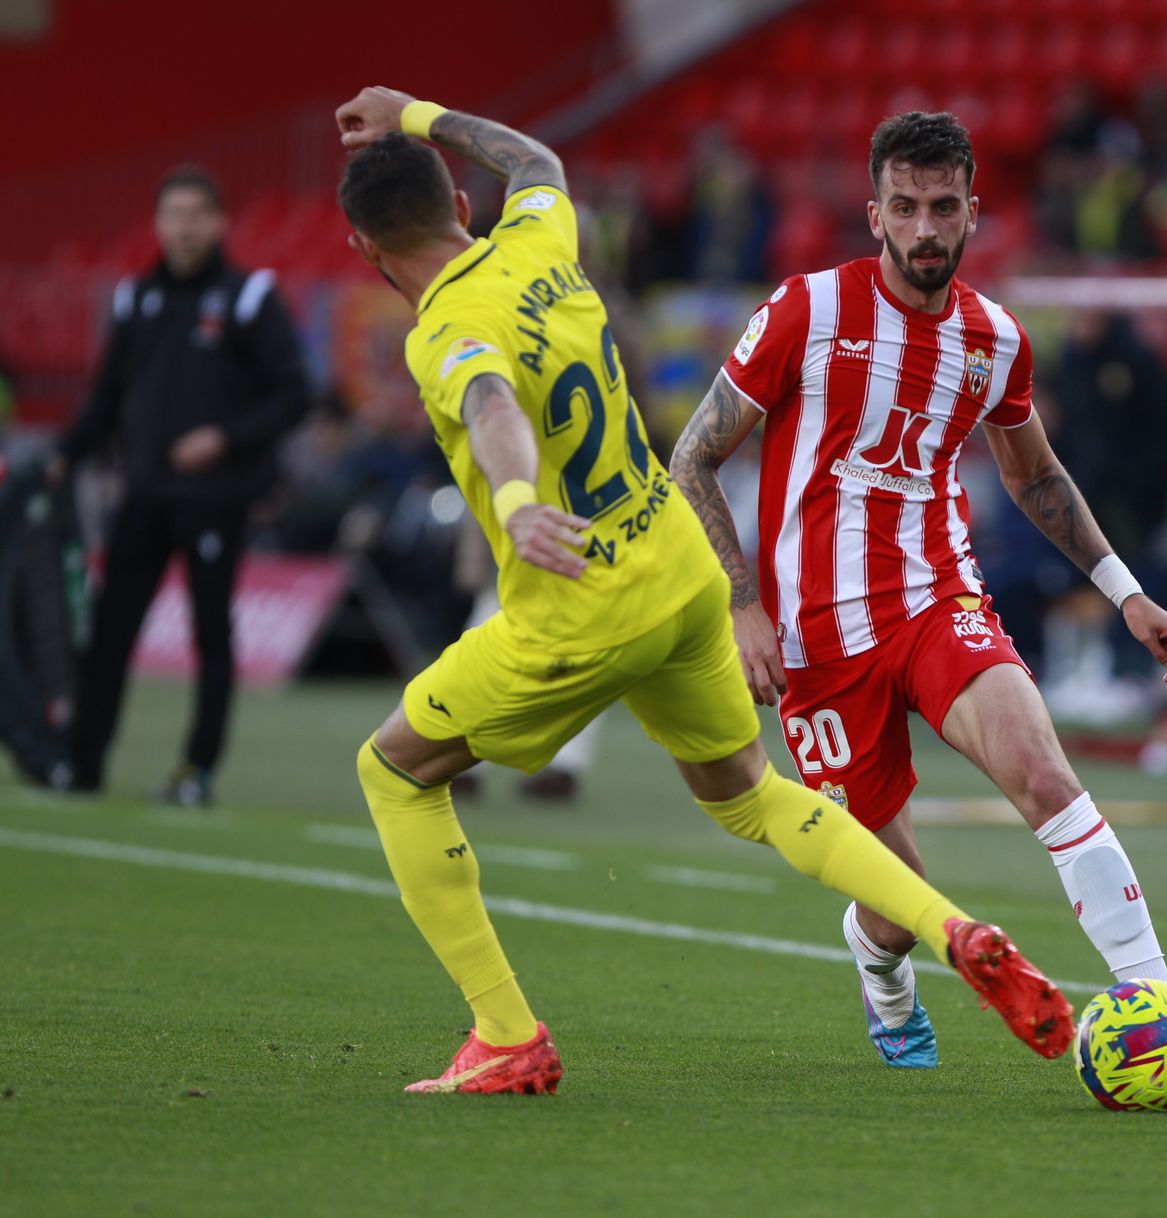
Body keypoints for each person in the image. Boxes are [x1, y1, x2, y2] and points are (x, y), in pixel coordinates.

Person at [332, 86, 1077, 1096]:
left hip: (584, 605)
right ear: (462, 208)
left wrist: (512, 503)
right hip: (680, 571)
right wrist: (415, 112)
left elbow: (490, 398)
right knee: (751, 797)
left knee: (394, 770)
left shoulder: (443, 327)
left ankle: (504, 1032)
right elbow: (538, 160)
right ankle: (947, 929)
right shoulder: (537, 237)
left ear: (367, 251)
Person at [669, 111, 1167, 1087]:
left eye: (942, 207)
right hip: (816, 642)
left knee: (1047, 779)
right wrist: (741, 605)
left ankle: (1161, 1011)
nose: (924, 227)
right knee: (895, 907)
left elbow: (1036, 477)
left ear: (973, 211)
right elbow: (692, 458)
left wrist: (1124, 593)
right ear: (875, 213)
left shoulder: (992, 341)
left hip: (939, 603)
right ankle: (882, 979)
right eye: (905, 207)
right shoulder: (807, 311)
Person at [50, 167, 308, 804]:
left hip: (217, 499)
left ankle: (198, 772)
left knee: (210, 634)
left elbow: (295, 394)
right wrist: (65, 455)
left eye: (197, 214)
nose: (184, 227)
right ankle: (81, 765)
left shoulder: (249, 297)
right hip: (142, 494)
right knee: (111, 631)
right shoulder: (136, 299)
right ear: (159, 223)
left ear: (218, 223)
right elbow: (106, 395)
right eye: (173, 214)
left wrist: (224, 438)